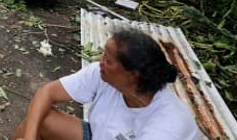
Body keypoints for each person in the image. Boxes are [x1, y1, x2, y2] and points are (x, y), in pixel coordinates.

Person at [13, 29, 200, 140]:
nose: (101, 62)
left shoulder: (168, 127)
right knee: (37, 121)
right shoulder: (102, 74)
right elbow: (47, 92)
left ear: (133, 74)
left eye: (109, 60)